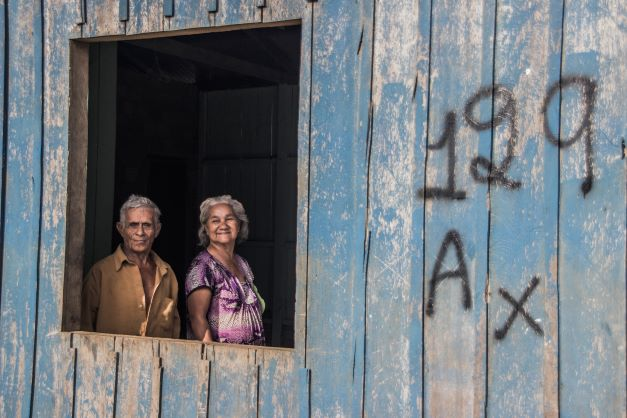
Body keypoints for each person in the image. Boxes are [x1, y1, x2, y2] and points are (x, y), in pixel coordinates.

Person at [81, 195, 180, 338]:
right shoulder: (100, 273)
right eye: (133, 225)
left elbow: (174, 330)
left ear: (157, 229)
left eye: (147, 225)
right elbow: (83, 327)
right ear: (121, 229)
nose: (140, 232)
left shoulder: (167, 274)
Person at [186, 195, 265, 345]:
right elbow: (197, 318)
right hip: (223, 361)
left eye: (229, 219)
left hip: (254, 357)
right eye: (215, 221)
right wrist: (212, 360)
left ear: (239, 225)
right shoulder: (203, 267)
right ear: (206, 229)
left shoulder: (242, 263)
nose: (223, 225)